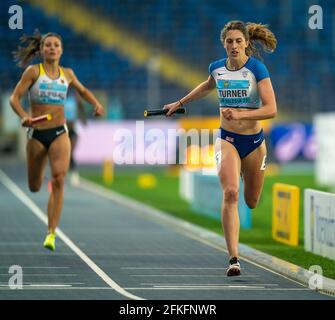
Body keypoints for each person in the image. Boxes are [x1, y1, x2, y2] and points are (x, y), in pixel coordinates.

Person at [164, 21, 277, 276]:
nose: (234, 46)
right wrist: (179, 102)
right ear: (223, 44)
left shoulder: (257, 69)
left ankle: (249, 181)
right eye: (229, 41)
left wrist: (241, 114)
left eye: (238, 41)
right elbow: (206, 85)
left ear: (246, 43)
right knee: (230, 193)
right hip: (227, 139)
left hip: (255, 143)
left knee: (251, 201)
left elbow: (271, 109)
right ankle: (233, 259)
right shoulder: (216, 68)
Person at [9, 31, 105, 251]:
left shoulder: (68, 74)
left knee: (59, 178)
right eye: (48, 45)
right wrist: (24, 116)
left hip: (59, 133)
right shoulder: (33, 72)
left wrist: (96, 104)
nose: (52, 48)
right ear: (41, 50)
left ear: (61, 50)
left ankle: (51, 233)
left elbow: (83, 91)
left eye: (56, 45)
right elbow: (14, 98)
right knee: (34, 186)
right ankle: (39, 178)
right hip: (37, 134)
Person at [64, 90, 87, 185]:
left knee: (70, 152)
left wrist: (83, 119)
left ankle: (73, 172)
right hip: (63, 129)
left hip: (72, 130)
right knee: (65, 153)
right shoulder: (62, 100)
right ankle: (69, 171)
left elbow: (81, 109)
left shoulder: (74, 101)